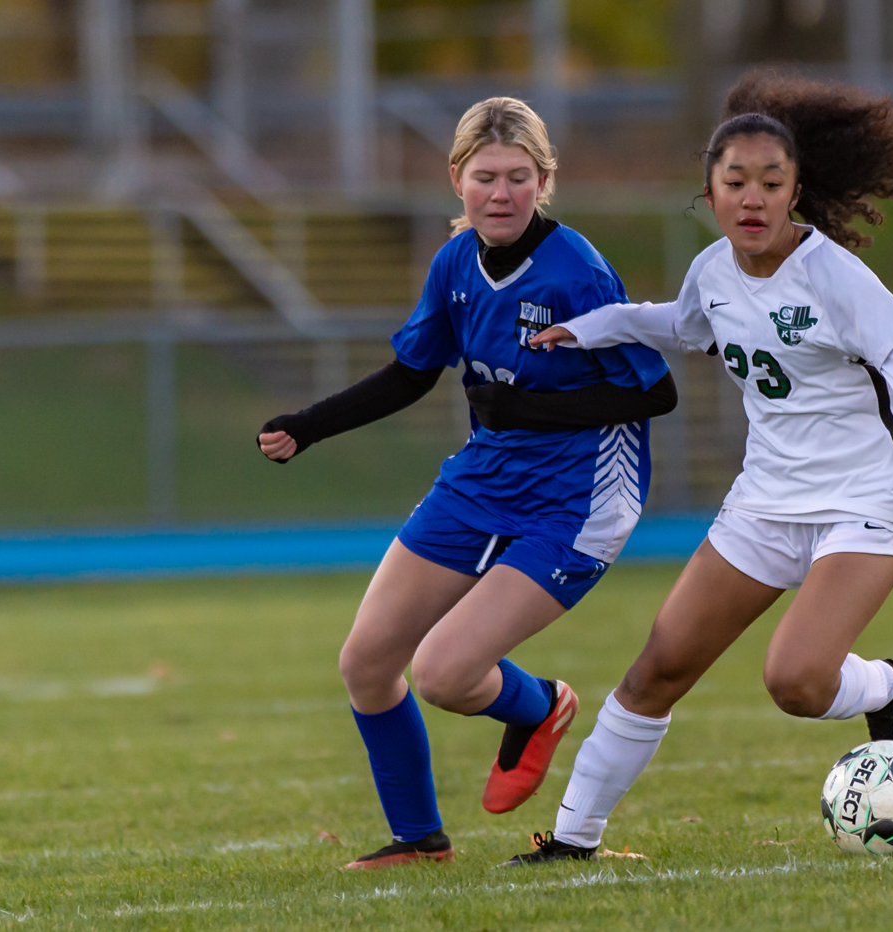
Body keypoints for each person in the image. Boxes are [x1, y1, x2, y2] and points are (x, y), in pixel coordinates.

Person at [508, 73, 893, 865]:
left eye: (771, 184)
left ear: (796, 193)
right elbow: (678, 326)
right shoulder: (713, 271)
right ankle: (572, 841)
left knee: (797, 681)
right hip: (766, 501)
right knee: (658, 667)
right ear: (709, 194)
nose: (752, 199)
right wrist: (595, 328)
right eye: (734, 183)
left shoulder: (834, 277)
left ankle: (887, 686)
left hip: (866, 503)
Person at [256, 96, 678, 869]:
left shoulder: (577, 271)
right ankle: (420, 842)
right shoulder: (455, 263)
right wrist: (310, 425)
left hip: (578, 498)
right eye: (486, 177)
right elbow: (413, 373)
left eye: (520, 177)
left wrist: (531, 405)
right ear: (457, 178)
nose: (502, 193)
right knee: (367, 663)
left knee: (446, 673)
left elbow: (655, 392)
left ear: (544, 180)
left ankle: (543, 704)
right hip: (484, 479)